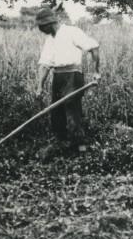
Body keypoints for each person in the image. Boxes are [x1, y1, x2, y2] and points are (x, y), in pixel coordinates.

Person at [35, 8, 101, 155]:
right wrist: (39, 86)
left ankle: (80, 147)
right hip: (58, 76)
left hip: (73, 75)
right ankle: (62, 145)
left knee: (72, 109)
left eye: (42, 26)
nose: (41, 30)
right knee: (56, 111)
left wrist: (96, 72)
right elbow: (45, 64)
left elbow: (94, 47)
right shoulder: (49, 40)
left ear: (50, 23)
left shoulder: (71, 32)